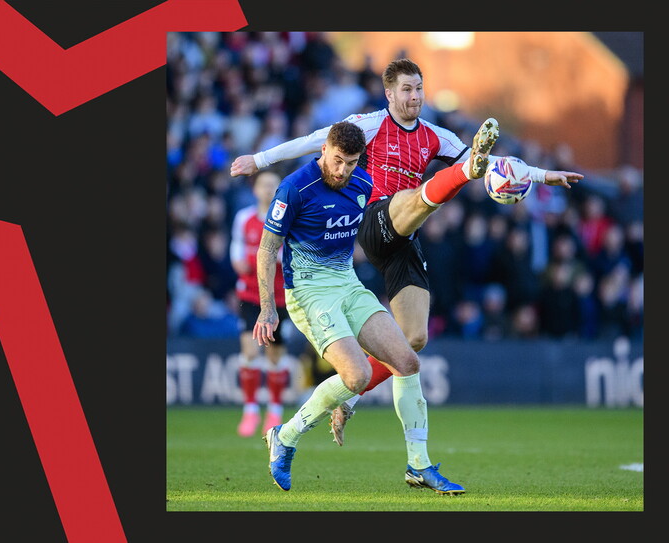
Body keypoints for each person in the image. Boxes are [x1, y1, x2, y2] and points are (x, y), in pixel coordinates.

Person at [232, 58, 583, 446]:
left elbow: (496, 166)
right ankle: (457, 177)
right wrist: (259, 160)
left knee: (413, 339)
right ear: (389, 93)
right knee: (422, 194)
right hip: (374, 219)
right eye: (406, 89)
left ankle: (349, 398)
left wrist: (541, 175)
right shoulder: (369, 124)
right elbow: (314, 140)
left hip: (405, 235)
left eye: (419, 88)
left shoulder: (436, 135)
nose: (414, 96)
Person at [255, 121, 471, 495]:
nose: (342, 171)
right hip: (309, 292)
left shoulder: (362, 184)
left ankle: (419, 465)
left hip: (348, 284)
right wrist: (266, 308)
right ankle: (285, 435)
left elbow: (368, 236)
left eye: (351, 163)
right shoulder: (294, 188)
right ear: (324, 149)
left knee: (407, 361)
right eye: (337, 161)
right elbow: (266, 249)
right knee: (354, 377)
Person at [229, 170, 299, 437]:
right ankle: (249, 410)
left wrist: (269, 259)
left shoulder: (287, 219)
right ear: (255, 189)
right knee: (249, 351)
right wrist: (238, 261)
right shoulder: (244, 218)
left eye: (273, 185)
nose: (268, 190)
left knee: (274, 356)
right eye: (263, 185)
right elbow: (236, 248)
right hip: (249, 294)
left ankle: (274, 409)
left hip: (279, 297)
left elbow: (290, 253)